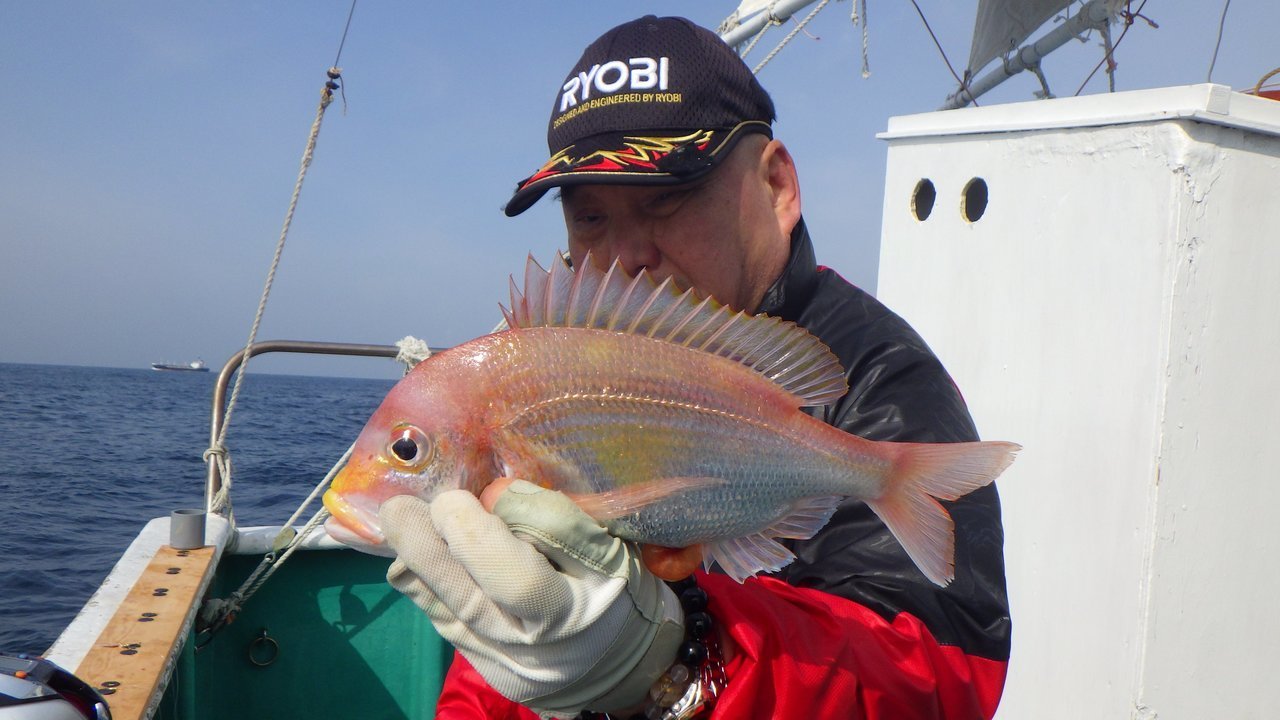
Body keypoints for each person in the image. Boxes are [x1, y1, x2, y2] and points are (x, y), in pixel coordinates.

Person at [379, 15, 1010, 720]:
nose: (625, 257)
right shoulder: (557, 370)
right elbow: (486, 689)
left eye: (666, 200)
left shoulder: (880, 376)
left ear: (775, 186)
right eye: (589, 220)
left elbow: (938, 678)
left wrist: (669, 661)